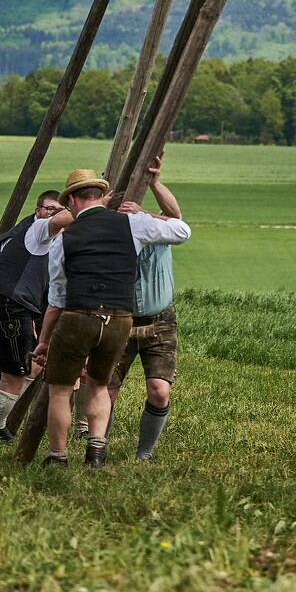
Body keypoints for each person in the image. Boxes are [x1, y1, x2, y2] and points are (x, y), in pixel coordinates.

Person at [33, 168, 190, 470]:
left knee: (61, 388)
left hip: (79, 316)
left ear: (74, 200)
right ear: (101, 196)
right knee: (100, 386)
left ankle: (58, 455)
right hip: (120, 319)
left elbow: (56, 298)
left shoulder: (64, 241)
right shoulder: (132, 224)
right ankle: (96, 453)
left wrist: (44, 340)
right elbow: (182, 230)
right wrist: (147, 214)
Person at [106, 156, 184, 462]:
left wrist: (151, 190)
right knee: (107, 391)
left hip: (160, 319)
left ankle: (144, 453)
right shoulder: (110, 230)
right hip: (120, 319)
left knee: (159, 390)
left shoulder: (156, 228)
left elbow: (176, 218)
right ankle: (98, 447)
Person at [0, 189, 67, 440]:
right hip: (10, 306)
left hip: (1, 306)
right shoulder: (37, 231)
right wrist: (93, 204)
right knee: (16, 375)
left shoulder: (26, 235)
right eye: (51, 209)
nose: (56, 215)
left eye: (59, 209)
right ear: (38, 211)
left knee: (32, 365)